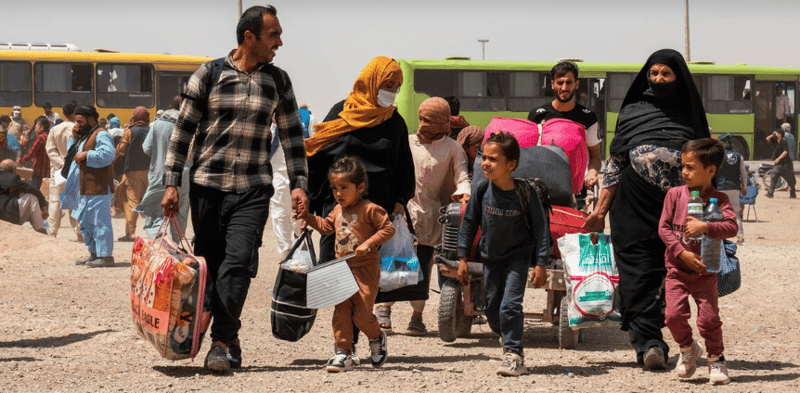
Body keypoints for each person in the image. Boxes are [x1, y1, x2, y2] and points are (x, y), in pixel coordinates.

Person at [161, 5, 309, 373]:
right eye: (273, 35)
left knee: (239, 263)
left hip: (252, 189)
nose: (280, 42)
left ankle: (222, 341)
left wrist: (299, 184)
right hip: (207, 187)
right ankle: (229, 337)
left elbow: (293, 138)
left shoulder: (278, 81)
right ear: (249, 37)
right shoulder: (209, 74)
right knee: (210, 265)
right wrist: (171, 183)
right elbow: (183, 133)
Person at [584, 49, 711, 370]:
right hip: (632, 202)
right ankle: (649, 343)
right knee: (637, 270)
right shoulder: (632, 112)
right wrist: (599, 212)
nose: (658, 80)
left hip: (677, 207)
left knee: (672, 271)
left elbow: (705, 168)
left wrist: (703, 216)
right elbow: (616, 161)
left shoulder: (690, 114)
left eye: (665, 75)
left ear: (677, 78)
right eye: (653, 74)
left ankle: (655, 332)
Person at [305, 56, 415, 335]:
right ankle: (346, 344)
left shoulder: (395, 122)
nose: (390, 90)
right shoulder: (341, 112)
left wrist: (401, 200)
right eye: (387, 84)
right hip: (339, 211)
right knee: (338, 278)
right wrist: (309, 198)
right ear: (372, 82)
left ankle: (368, 335)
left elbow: (403, 165)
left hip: (374, 216)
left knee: (365, 283)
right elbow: (318, 154)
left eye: (396, 86)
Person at [457, 132, 549, 377]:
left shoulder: (526, 192)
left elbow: (541, 229)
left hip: (517, 258)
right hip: (491, 258)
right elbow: (468, 224)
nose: (486, 163)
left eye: (493, 159)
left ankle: (514, 354)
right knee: (492, 311)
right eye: (484, 158)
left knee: (510, 306)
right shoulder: (481, 190)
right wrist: (463, 259)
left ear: (511, 164)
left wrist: (541, 263)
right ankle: (506, 335)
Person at [377, 98, 470, 335]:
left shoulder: (453, 148)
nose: (422, 124)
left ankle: (416, 316)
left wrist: (463, 193)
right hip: (403, 213)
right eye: (420, 118)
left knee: (422, 266)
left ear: (441, 121)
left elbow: (462, 178)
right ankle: (384, 309)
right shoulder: (408, 142)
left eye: (428, 120)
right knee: (396, 260)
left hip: (432, 218)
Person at [300, 157, 392, 372]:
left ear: (360, 187)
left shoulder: (371, 209)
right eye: (334, 188)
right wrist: (307, 216)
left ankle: (377, 337)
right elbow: (325, 227)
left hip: (365, 270)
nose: (338, 193)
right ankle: (344, 352)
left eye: (344, 187)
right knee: (340, 312)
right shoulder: (337, 209)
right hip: (342, 269)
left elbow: (388, 229)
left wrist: (369, 243)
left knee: (361, 314)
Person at [658, 138, 737, 385]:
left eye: (690, 167)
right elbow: (664, 228)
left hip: (705, 272)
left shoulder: (720, 200)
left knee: (709, 319)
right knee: (673, 316)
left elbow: (732, 226)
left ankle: (716, 359)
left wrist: (707, 226)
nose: (684, 172)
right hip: (677, 270)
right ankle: (688, 349)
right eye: (683, 166)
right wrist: (681, 252)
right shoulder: (674, 195)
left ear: (710, 171)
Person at [527, 61, 602, 190]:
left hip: (576, 192)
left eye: (569, 82)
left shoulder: (588, 117)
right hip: (542, 190)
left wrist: (592, 174)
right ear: (552, 84)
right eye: (560, 82)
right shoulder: (537, 115)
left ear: (576, 84)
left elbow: (595, 156)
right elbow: (528, 154)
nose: (564, 87)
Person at [60, 105, 116, 268]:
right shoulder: (85, 135)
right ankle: (94, 254)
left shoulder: (101, 134)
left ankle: (105, 256)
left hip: (98, 187)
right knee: (85, 222)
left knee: (100, 222)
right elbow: (73, 155)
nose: (77, 124)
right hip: (83, 187)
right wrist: (75, 137)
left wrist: (87, 155)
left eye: (80, 121)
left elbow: (108, 154)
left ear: (91, 119)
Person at [134, 96, 189, 241]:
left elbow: (146, 148)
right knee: (179, 212)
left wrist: (159, 153)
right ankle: (175, 245)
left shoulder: (157, 124)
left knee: (157, 212)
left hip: (159, 175)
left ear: (171, 107)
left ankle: (163, 244)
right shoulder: (190, 124)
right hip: (184, 177)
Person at [45, 101, 82, 240]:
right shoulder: (78, 128)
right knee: (75, 201)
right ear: (75, 113)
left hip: (58, 170)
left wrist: (61, 163)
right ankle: (79, 234)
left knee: (55, 201)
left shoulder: (55, 129)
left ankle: (53, 233)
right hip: (75, 169)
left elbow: (50, 149)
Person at [114, 107, 151, 241]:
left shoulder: (130, 131)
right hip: (149, 171)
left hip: (132, 172)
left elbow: (121, 151)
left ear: (135, 117)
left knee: (132, 202)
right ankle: (156, 232)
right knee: (150, 201)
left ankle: (130, 233)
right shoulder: (151, 130)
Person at [0, 159, 48, 233]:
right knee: (31, 197)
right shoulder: (13, 179)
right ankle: (40, 229)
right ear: (13, 170)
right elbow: (35, 191)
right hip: (8, 215)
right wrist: (43, 207)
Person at [714, 143, 747, 245]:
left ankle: (719, 237)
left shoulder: (717, 155)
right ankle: (740, 238)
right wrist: (744, 186)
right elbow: (743, 173)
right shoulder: (738, 156)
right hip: (734, 187)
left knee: (718, 212)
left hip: (719, 187)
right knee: (735, 212)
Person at [19, 116, 50, 191]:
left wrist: (20, 161)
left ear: (41, 128)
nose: (35, 129)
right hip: (48, 170)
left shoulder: (40, 138)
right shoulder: (49, 136)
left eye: (36, 127)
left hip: (39, 170)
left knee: (34, 190)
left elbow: (31, 154)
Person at [765, 130, 797, 198]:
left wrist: (778, 158)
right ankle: (770, 193)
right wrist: (772, 134)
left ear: (780, 134)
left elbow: (785, 152)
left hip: (786, 164)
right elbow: (767, 139)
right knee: (773, 176)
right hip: (778, 164)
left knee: (790, 180)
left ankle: (793, 194)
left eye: (777, 133)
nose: (776, 134)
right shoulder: (775, 141)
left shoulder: (783, 142)